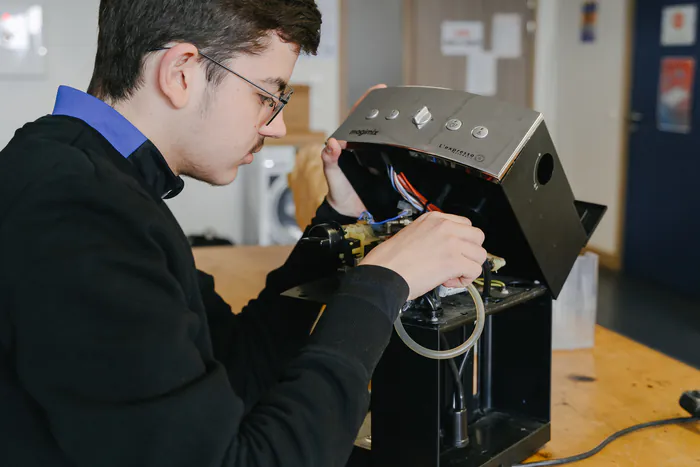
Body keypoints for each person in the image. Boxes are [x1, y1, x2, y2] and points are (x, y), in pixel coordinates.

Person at [0, 1, 487, 466]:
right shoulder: (79, 214)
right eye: (267, 96)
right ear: (181, 73)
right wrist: (381, 284)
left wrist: (337, 217)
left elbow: (235, 366)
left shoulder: (82, 173)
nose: (275, 126)